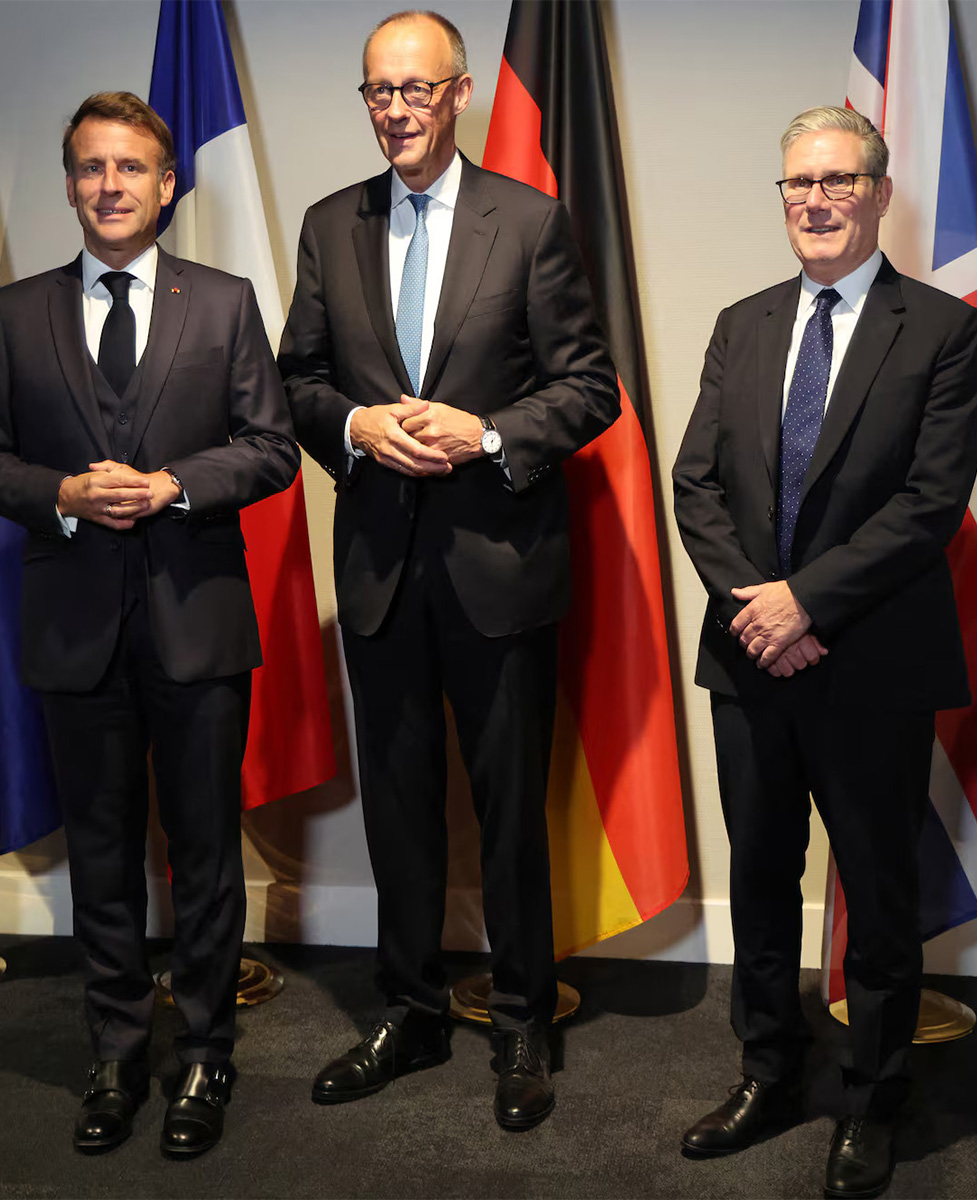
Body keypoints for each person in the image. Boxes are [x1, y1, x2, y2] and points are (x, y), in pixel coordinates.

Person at [277, 9, 618, 1131]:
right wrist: (359, 423)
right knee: (403, 811)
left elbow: (588, 386)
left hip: (498, 564)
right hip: (381, 567)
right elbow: (296, 384)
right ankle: (411, 1009)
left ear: (460, 95)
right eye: (378, 93)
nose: (395, 112)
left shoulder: (529, 222)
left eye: (415, 91)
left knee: (512, 812)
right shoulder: (330, 226)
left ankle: (521, 1019)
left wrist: (484, 436)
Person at [0, 91, 298, 1159]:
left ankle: (203, 1056)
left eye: (131, 168)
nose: (111, 186)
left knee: (201, 855)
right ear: (71, 185)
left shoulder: (228, 303)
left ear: (165, 185)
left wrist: (170, 489)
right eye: (91, 168)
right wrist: (63, 491)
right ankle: (113, 1053)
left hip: (197, 623)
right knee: (100, 854)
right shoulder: (16, 314)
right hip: (73, 630)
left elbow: (271, 447)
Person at [672, 105, 977, 1198]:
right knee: (759, 884)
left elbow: (928, 503)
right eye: (797, 184)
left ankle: (875, 1098)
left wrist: (805, 603)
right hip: (749, 663)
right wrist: (756, 611)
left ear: (877, 192)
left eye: (836, 182)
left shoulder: (942, 329)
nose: (813, 201)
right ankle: (767, 1073)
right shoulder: (741, 322)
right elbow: (695, 483)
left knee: (876, 895)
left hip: (871, 662)